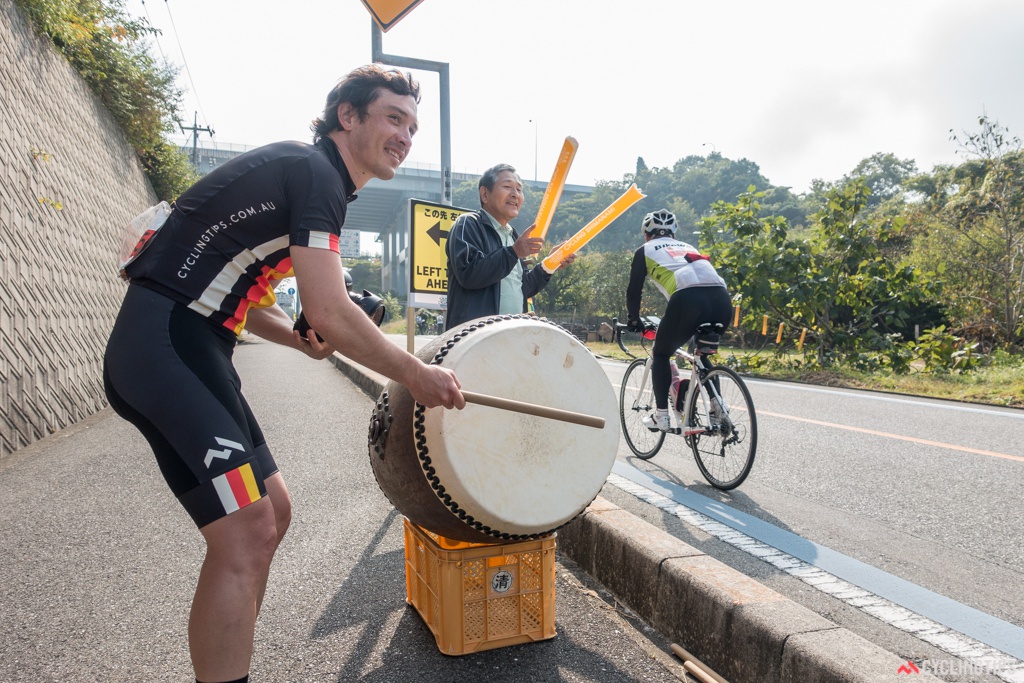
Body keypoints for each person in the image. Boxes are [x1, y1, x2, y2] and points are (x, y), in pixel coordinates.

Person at [103, 65, 464, 683]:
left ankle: (230, 664)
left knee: (272, 510)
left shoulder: (311, 176)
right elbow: (329, 307)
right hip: (166, 342)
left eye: (412, 124)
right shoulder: (317, 173)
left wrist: (299, 343)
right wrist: (414, 372)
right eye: (392, 117)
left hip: (193, 341)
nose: (405, 135)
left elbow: (247, 288)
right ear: (347, 117)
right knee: (246, 529)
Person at [625, 209, 732, 432]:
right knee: (700, 355)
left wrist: (633, 320)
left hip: (688, 299)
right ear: (674, 233)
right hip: (721, 299)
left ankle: (661, 416)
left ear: (646, 234)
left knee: (662, 353)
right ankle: (718, 405)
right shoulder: (689, 247)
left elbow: (634, 291)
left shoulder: (644, 250)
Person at [444, 163, 573, 330]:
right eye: (507, 186)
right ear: (484, 194)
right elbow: (469, 274)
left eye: (519, 190)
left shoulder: (513, 236)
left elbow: (523, 287)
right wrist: (514, 252)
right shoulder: (468, 224)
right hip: (473, 339)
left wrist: (550, 264)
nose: (515, 195)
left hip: (510, 337)